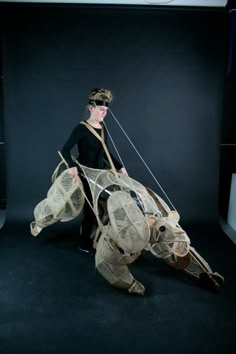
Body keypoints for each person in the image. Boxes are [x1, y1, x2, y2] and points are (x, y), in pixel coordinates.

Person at [61, 88, 128, 254]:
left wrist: (120, 166)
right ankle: (84, 242)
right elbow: (65, 150)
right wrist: (72, 166)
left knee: (104, 207)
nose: (104, 113)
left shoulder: (103, 127)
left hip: (101, 174)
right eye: (101, 109)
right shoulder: (81, 128)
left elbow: (106, 152)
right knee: (91, 210)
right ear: (91, 108)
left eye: (106, 110)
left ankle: (96, 236)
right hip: (86, 175)